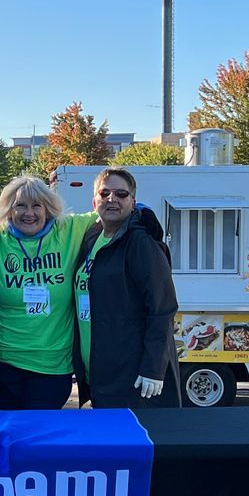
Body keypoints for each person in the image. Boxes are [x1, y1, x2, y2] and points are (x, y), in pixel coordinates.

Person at [74, 167, 181, 409]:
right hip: (100, 369)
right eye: (105, 193)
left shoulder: (141, 244)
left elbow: (162, 308)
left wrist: (153, 368)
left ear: (133, 203)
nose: (112, 199)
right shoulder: (92, 238)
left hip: (132, 374)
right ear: (94, 202)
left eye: (121, 194)